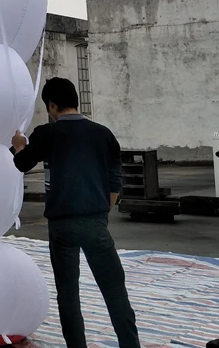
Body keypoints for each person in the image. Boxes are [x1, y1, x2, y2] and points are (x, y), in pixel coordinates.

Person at [11, 77, 139, 348]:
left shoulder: (47, 133)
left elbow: (21, 163)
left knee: (68, 295)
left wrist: (20, 144)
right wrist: (103, 212)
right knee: (115, 291)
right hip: (95, 222)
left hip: (62, 226)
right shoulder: (102, 133)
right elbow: (115, 179)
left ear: (52, 105)